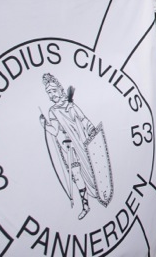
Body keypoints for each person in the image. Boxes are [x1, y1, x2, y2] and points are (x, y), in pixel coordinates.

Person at [38, 73, 98, 220]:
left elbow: (83, 120)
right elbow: (55, 130)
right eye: (49, 92)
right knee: (77, 176)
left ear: (60, 89)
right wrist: (45, 124)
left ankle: (97, 194)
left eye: (53, 90)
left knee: (91, 172)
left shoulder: (71, 105)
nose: (52, 94)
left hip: (82, 143)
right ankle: (85, 205)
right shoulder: (52, 111)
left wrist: (92, 131)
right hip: (69, 148)